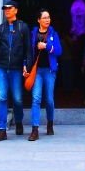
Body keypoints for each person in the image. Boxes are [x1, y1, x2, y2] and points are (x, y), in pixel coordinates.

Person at [0, 1, 32, 141]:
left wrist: (27, 65)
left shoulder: (23, 27)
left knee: (18, 99)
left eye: (10, 8)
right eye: (5, 9)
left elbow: (28, 49)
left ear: (16, 10)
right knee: (1, 98)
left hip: (16, 68)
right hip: (1, 67)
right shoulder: (0, 29)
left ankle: (18, 120)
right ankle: (2, 129)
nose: (7, 11)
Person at [29, 9, 61, 139]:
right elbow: (28, 52)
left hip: (49, 71)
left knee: (49, 99)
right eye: (44, 18)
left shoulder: (53, 33)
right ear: (38, 20)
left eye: (49, 17)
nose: (47, 20)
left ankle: (50, 124)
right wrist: (26, 66)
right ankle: (35, 129)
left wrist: (46, 46)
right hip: (36, 71)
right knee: (36, 98)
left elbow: (59, 51)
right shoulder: (33, 34)